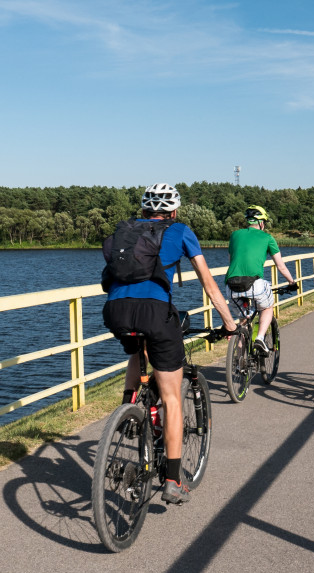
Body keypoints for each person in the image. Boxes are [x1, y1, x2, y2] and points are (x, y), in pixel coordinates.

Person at [103, 183, 237, 504]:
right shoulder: (180, 231)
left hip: (116, 310)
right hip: (155, 313)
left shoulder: (127, 232)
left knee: (138, 346)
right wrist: (229, 322)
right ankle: (174, 481)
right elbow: (207, 282)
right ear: (174, 211)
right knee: (171, 397)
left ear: (144, 210)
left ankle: (129, 407)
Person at [223, 205, 297, 355]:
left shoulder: (235, 235)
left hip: (231, 286)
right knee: (267, 307)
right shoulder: (267, 238)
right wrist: (292, 282)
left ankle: (239, 363)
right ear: (262, 222)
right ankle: (260, 338)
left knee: (243, 323)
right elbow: (280, 266)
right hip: (254, 284)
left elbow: (231, 261)